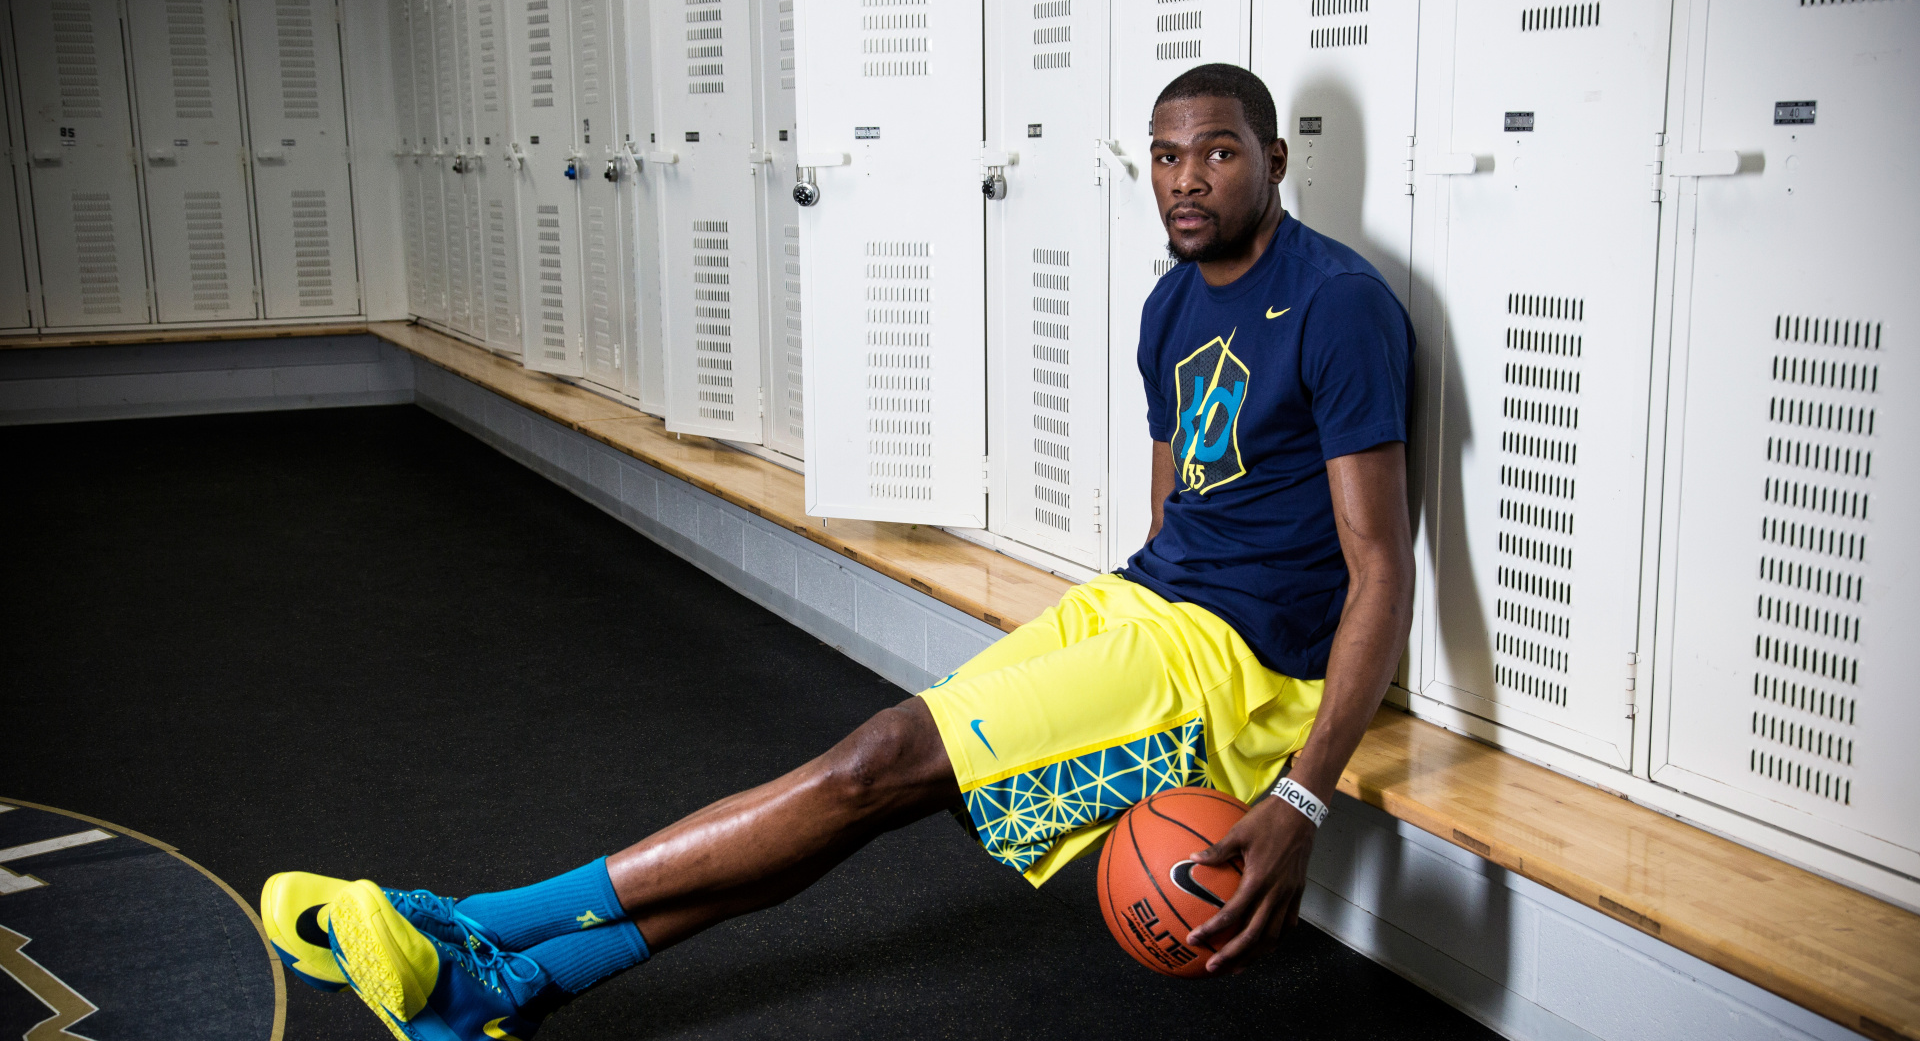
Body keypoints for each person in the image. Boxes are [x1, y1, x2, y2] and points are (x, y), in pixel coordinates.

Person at [261, 62, 1416, 1041]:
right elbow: (1176, 524)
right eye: (1164, 157)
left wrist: (1302, 797)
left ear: (1272, 157)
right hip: (1140, 609)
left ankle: (469, 925)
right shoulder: (1171, 304)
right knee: (869, 793)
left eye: (1214, 154)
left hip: (1237, 668)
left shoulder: (1338, 305)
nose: (1184, 179)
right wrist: (1111, 636)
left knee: (871, 765)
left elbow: (1380, 568)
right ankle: (495, 989)